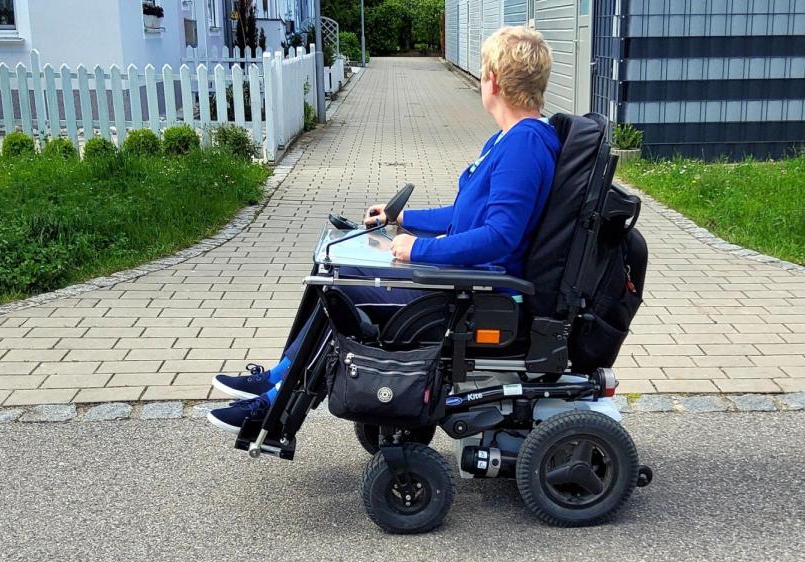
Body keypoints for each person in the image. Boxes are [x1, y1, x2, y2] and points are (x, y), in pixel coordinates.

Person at [207, 26, 562, 433]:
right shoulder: (508, 139)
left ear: (493, 80)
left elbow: (499, 237)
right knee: (332, 270)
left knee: (338, 286)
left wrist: (416, 251)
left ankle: (274, 404)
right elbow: (464, 216)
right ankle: (279, 377)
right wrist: (402, 220)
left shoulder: (524, 145)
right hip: (466, 281)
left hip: (479, 292)